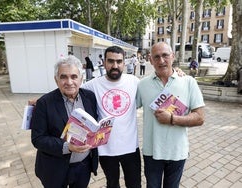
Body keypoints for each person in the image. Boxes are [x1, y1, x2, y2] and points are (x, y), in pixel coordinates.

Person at [136, 42, 205, 188]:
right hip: (151, 152)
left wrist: (172, 119)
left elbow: (200, 118)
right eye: (157, 57)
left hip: (177, 151)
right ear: (150, 60)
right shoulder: (142, 85)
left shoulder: (188, 82)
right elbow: (127, 108)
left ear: (173, 56)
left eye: (165, 55)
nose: (161, 61)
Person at [31, 55, 98, 188]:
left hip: (83, 165)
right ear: (56, 80)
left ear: (81, 79)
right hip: (54, 168)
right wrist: (67, 147)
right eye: (63, 77)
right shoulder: (44, 103)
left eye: (74, 76)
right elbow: (38, 139)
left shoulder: (89, 97)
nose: (69, 82)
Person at [82, 46, 141, 188]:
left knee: (134, 184)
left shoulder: (134, 81)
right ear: (104, 62)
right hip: (105, 149)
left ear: (124, 63)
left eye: (119, 61)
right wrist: (43, 100)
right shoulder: (92, 85)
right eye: (111, 61)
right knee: (112, 184)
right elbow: (70, 89)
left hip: (131, 147)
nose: (115, 66)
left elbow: (155, 84)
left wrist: (177, 72)